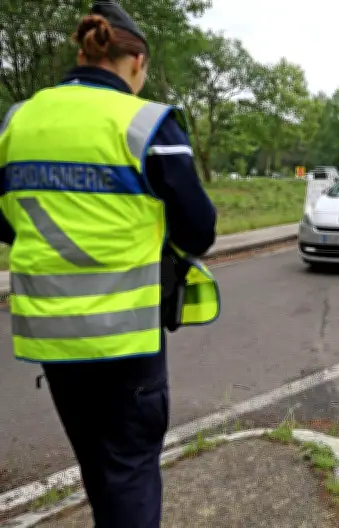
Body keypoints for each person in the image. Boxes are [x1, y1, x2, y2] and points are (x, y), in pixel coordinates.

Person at [0, 2, 220, 527]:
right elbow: (199, 230)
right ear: (137, 61)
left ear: (83, 53)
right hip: (125, 338)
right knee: (131, 471)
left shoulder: (18, 120)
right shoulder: (146, 123)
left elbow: (6, 220)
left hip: (52, 337)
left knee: (98, 468)